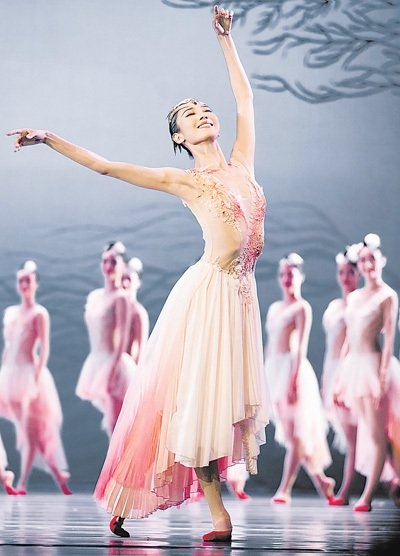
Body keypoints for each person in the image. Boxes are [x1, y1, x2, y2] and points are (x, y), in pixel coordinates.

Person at [7, 6, 268, 542]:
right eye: (188, 115)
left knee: (210, 406)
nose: (201, 114)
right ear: (180, 137)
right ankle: (217, 516)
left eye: (203, 108)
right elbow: (106, 166)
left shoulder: (242, 164)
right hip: (207, 297)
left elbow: (245, 99)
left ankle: (133, 499)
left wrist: (225, 39)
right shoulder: (184, 180)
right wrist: (50, 138)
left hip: (240, 296)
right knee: (194, 407)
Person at [334, 234, 400, 511]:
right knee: (371, 432)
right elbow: (348, 339)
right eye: (362, 260)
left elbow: (389, 341)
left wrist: (382, 378)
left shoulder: (388, 296)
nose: (367, 264)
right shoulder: (354, 297)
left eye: (371, 259)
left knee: (377, 434)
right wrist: (339, 377)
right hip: (354, 368)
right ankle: (395, 480)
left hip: (374, 367)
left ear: (380, 260)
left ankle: (368, 496)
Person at [265, 253, 334, 504]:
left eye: (291, 274)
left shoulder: (302, 307)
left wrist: (293, 380)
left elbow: (300, 346)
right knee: (291, 433)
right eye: (283, 274)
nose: (286, 278)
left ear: (300, 276)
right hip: (273, 370)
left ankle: (285, 488)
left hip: (292, 370)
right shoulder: (275, 308)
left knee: (295, 434)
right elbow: (270, 345)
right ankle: (321, 480)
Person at [0, 261, 71, 494]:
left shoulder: (39, 313)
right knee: (30, 433)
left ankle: (21, 481)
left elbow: (45, 348)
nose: (23, 284)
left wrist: (36, 379)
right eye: (20, 280)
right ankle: (58, 474)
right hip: (10, 376)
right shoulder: (11, 313)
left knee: (30, 432)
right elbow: (8, 347)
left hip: (29, 377)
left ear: (35, 284)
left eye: (28, 280)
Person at [76, 242, 136, 437]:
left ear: (122, 265)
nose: (108, 266)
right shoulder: (94, 296)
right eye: (105, 261)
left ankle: (120, 456)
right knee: (110, 420)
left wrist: (112, 369)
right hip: (96, 360)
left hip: (114, 363)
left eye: (113, 262)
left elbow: (123, 334)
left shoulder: (121, 298)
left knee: (116, 422)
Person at [322, 247, 360, 505]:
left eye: (350, 272)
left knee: (357, 434)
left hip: (352, 372)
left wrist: (343, 379)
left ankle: (345, 491)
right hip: (333, 368)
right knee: (357, 434)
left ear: (358, 274)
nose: (345, 277)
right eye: (342, 272)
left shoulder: (359, 305)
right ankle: (393, 482)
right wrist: (328, 380)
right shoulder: (335, 306)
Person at [121, 257, 149, 365]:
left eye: (129, 279)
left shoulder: (138, 313)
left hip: (130, 367)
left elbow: (141, 348)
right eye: (123, 278)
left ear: (138, 282)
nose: (125, 283)